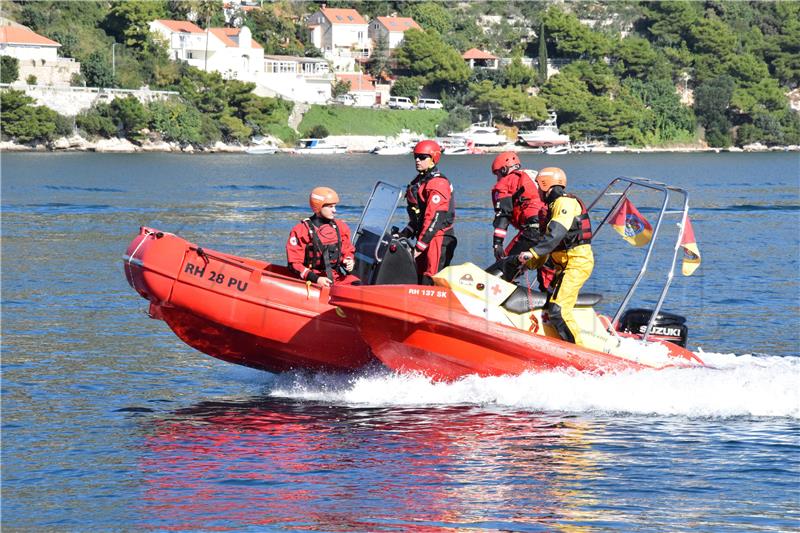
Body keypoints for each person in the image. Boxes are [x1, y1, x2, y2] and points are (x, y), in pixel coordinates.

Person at [517, 167, 593, 345]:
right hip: (563, 266)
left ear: (545, 185)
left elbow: (556, 234)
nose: (537, 190)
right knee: (546, 305)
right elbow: (548, 245)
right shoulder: (551, 209)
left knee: (558, 310)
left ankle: (578, 352)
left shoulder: (564, 203)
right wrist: (527, 263)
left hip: (576, 264)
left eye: (538, 185)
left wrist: (533, 253)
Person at [487, 151, 554, 289]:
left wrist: (497, 244)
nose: (497, 179)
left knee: (506, 264)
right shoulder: (534, 176)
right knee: (548, 272)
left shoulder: (505, 183)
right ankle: (549, 300)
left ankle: (498, 295)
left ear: (504, 169)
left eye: (497, 174)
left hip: (532, 230)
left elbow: (503, 215)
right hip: (552, 230)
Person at [398, 140, 457, 285]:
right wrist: (404, 233)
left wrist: (420, 246)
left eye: (422, 157)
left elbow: (434, 218)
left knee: (431, 276)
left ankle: (434, 304)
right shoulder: (419, 181)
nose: (417, 160)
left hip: (438, 236)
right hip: (425, 235)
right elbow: (417, 218)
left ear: (433, 158)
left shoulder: (437, 183)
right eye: (416, 156)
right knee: (416, 273)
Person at [286, 186, 360, 288]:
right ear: (318, 206)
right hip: (313, 279)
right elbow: (294, 264)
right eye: (330, 207)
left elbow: (347, 250)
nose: (334, 210)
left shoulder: (341, 227)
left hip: (336, 277)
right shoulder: (301, 230)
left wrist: (349, 260)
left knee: (359, 285)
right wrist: (316, 279)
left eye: (334, 206)